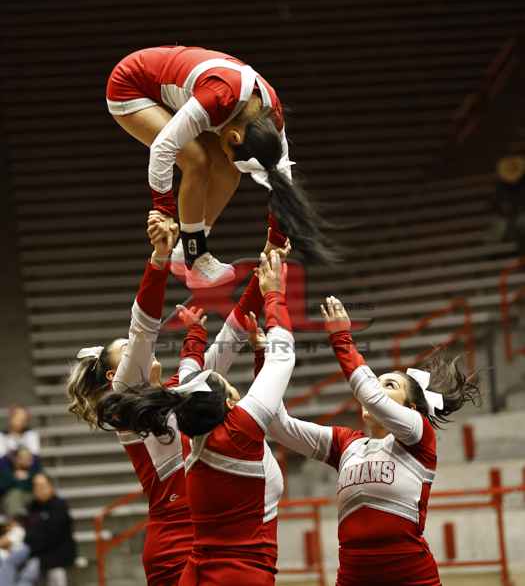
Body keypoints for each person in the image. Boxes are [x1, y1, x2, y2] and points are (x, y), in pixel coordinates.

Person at [67, 212, 289, 585]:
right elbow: (142, 332)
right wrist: (158, 260)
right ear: (113, 376)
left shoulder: (185, 389)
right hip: (174, 543)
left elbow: (234, 332)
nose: (137, 350)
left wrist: (270, 257)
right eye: (125, 351)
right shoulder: (124, 404)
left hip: (212, 539)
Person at [265, 296, 481, 586]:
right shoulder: (346, 444)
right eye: (376, 383)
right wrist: (263, 356)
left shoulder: (418, 435)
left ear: (410, 408)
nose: (376, 390)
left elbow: (371, 396)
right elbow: (278, 426)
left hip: (411, 577)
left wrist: (341, 337)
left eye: (389, 385)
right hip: (353, 577)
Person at [106, 45, 336, 287]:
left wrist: (276, 240)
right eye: (230, 151)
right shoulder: (216, 98)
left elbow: (281, 176)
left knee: (228, 169)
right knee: (196, 161)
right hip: (131, 86)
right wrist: (164, 210)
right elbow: (163, 148)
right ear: (234, 137)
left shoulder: (271, 115)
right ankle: (195, 258)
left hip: (181, 92)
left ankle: (186, 253)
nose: (227, 156)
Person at [22, 474, 76, 586]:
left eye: (42, 486)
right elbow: (27, 532)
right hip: (36, 553)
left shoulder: (60, 506)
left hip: (57, 553)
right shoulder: (32, 506)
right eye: (36, 486)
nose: (39, 490)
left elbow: (53, 536)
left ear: (51, 487)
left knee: (48, 571)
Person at [0, 450, 38, 519]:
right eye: (23, 458)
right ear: (17, 459)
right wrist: (14, 478)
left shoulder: (36, 470)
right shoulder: (6, 470)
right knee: (15, 494)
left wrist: (28, 477)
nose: (27, 461)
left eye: (29, 458)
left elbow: (42, 483)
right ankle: (16, 520)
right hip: (10, 501)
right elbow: (3, 486)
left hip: (31, 497)